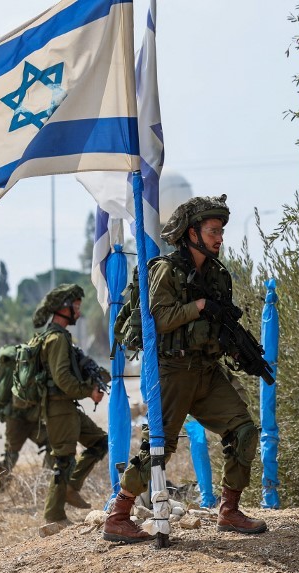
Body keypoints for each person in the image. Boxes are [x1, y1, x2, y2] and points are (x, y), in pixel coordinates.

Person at [103, 195, 268, 544]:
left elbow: (218, 325)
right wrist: (200, 305)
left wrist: (238, 350)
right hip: (172, 370)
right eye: (212, 231)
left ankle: (229, 510)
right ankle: (118, 516)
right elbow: (158, 318)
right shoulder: (164, 269)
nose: (219, 238)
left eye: (221, 231)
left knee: (243, 431)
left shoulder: (218, 276)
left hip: (206, 371)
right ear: (191, 232)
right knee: (158, 448)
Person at [33, 284, 109, 529]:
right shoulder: (55, 340)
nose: (78, 311)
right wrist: (88, 391)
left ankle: (71, 487)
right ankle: (53, 517)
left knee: (100, 442)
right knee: (64, 460)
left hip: (67, 407)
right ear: (62, 309)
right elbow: (63, 379)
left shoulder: (62, 337)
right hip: (58, 409)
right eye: (75, 306)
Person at [0, 344, 50, 493]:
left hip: (22, 418)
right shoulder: (25, 365)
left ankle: (44, 483)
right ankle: (1, 489)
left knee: (11, 453)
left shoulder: (16, 367)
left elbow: (2, 393)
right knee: (12, 453)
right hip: (25, 417)